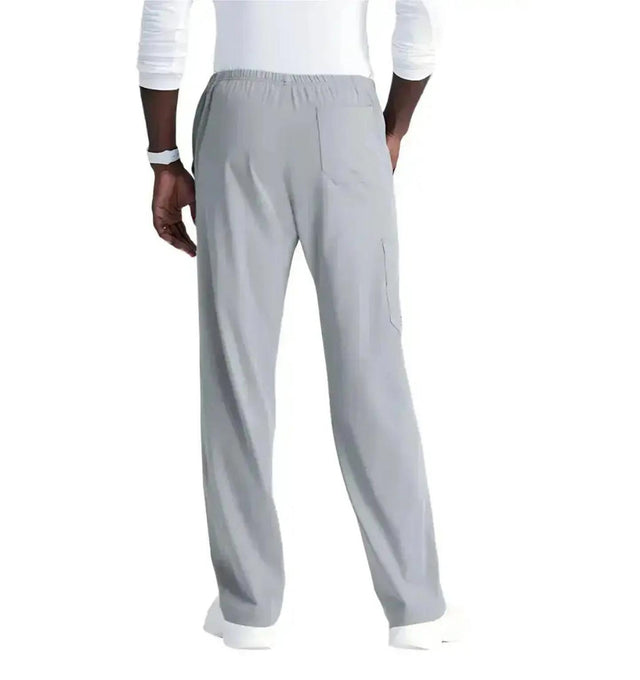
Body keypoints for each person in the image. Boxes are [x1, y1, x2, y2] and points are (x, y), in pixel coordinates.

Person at [137, 0, 460, 650]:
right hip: (347, 117)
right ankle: (415, 607)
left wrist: (164, 155)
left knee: (237, 365)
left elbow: (165, 20)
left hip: (238, 119)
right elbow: (421, 19)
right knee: (372, 360)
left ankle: (248, 606)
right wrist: (393, 127)